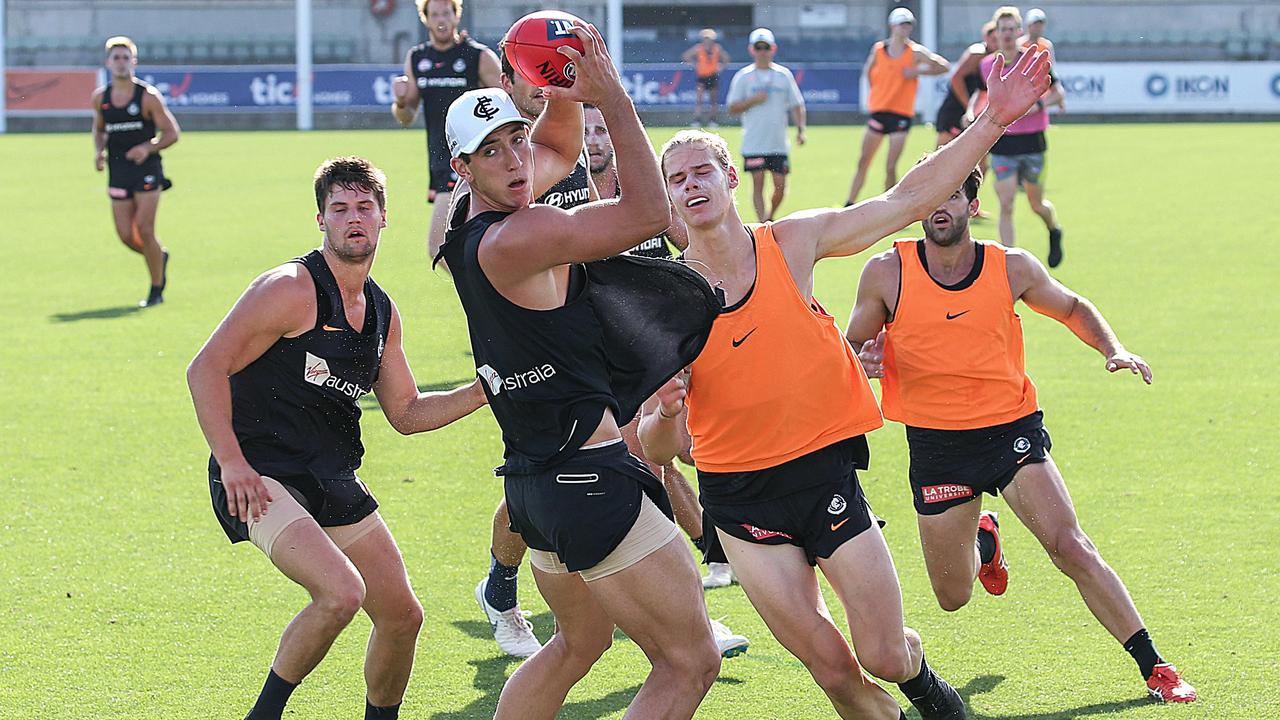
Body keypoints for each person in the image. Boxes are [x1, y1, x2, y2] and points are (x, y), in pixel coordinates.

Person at [640, 45, 1054, 720]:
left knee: (883, 655)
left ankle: (920, 683)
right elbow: (659, 450)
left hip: (823, 477)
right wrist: (664, 408)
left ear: (731, 178)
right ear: (668, 197)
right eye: (676, 177)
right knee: (833, 672)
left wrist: (991, 120)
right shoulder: (663, 299)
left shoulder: (791, 243)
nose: (691, 184)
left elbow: (903, 199)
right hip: (740, 502)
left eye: (702, 171)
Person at [438, 23, 724, 719]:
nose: (514, 160)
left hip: (537, 488)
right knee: (692, 661)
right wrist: (608, 93)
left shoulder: (467, 218)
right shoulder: (522, 235)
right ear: (461, 169)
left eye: (513, 140)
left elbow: (558, 147)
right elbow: (649, 212)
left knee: (578, 642)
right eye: (491, 152)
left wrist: (562, 84)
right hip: (591, 479)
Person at [844, 168, 1197, 705]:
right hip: (936, 446)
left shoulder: (1009, 266)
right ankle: (984, 538)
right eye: (930, 199)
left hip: (1010, 429)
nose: (940, 208)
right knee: (952, 596)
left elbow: (1073, 307)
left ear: (973, 202)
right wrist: (864, 361)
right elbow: (850, 349)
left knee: (1070, 545)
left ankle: (1156, 667)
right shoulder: (886, 273)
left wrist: (1112, 349)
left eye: (952, 196)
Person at [187, 157, 489, 720]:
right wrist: (230, 463)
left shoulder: (382, 312)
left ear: (383, 219)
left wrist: (485, 389)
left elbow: (407, 412)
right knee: (342, 593)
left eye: (365, 207)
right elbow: (205, 368)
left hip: (329, 475)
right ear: (321, 221)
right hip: (259, 474)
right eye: (340, 209)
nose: (354, 218)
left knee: (402, 616)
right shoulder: (290, 289)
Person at [584, 104, 747, 612]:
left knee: (690, 455)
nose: (593, 141)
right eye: (584, 132)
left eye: (601, 130)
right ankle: (697, 571)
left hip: (679, 346)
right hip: (626, 360)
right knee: (650, 461)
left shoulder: (654, 198)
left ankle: (718, 552)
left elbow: (693, 243)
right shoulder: (576, 211)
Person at [466, 43, 598, 660]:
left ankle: (679, 610)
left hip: (586, 327)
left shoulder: (536, 150)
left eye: (548, 72)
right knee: (528, 489)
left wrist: (570, 85)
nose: (541, 82)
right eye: (533, 71)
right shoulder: (497, 184)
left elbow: (569, 163)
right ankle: (502, 586)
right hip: (531, 351)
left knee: (641, 454)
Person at [392, 0, 500, 263]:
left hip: (472, 160)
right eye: (435, 14)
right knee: (466, 244)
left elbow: (509, 103)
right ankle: (492, 294)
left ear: (456, 16)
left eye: (446, 13)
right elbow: (406, 118)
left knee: (438, 248)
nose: (441, 19)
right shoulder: (418, 58)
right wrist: (401, 102)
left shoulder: (478, 56)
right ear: (425, 19)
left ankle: (486, 296)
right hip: (440, 162)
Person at [972, 6, 1065, 265]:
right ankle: (1008, 264)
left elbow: (1059, 93)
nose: (1008, 34)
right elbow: (980, 96)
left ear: (1019, 31)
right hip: (1003, 142)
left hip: (1033, 141)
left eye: (1012, 29)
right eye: (1003, 30)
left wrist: (1038, 106)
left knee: (1037, 204)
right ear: (996, 34)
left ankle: (1053, 229)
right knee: (1007, 204)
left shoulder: (1035, 59)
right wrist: (972, 113)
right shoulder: (987, 65)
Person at [92, 36, 180, 308]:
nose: (120, 63)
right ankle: (158, 257)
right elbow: (99, 129)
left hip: (146, 171)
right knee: (127, 236)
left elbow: (172, 133)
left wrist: (147, 148)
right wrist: (99, 151)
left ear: (134, 62)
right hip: (118, 172)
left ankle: (156, 290)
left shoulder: (147, 97)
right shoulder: (101, 99)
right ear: (108, 63)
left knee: (144, 228)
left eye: (125, 58)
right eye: (115, 58)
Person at [845, 8, 949, 206]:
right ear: (892, 26)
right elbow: (868, 71)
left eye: (909, 24)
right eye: (902, 24)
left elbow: (943, 66)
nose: (906, 28)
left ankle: (889, 207)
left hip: (901, 114)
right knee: (864, 160)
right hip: (879, 110)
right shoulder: (878, 50)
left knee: (891, 165)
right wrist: (878, 92)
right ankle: (849, 202)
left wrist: (917, 71)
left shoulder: (915, 52)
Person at [726, 28, 806, 224]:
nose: (762, 51)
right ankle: (763, 224)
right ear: (751, 50)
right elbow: (732, 107)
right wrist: (753, 100)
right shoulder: (744, 76)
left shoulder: (783, 75)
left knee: (780, 186)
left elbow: (797, 104)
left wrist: (801, 130)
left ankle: (769, 217)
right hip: (754, 142)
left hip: (778, 142)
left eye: (766, 47)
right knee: (758, 183)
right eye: (758, 47)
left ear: (773, 49)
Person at [934, 22, 995, 147]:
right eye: (994, 39)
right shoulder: (978, 53)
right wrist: (969, 107)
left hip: (978, 113)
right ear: (986, 38)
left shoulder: (999, 57)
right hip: (957, 110)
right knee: (941, 155)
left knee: (979, 161)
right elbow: (956, 78)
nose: (997, 43)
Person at [682, 29, 730, 128]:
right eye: (705, 38)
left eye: (709, 38)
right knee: (699, 100)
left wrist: (721, 67)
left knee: (713, 101)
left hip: (713, 76)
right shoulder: (698, 48)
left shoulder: (717, 48)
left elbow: (726, 58)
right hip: (702, 76)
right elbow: (686, 56)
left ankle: (712, 120)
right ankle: (697, 120)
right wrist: (695, 64)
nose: (707, 41)